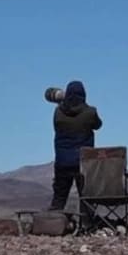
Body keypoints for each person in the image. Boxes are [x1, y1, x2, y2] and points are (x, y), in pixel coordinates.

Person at [50, 81, 103, 216]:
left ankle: (53, 224)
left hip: (62, 162)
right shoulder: (90, 112)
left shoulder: (58, 112)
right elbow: (98, 125)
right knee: (86, 197)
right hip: (83, 162)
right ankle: (86, 225)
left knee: (59, 197)